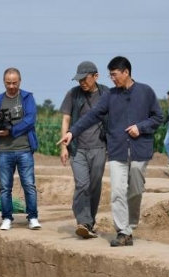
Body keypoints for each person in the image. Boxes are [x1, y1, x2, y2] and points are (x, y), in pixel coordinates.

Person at [57, 56, 164, 247]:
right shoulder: (110, 96)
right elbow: (92, 116)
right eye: (110, 75)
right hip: (117, 150)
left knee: (136, 191)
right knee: (117, 191)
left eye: (114, 75)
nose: (112, 79)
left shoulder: (145, 92)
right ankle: (123, 231)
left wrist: (141, 127)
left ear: (126, 72)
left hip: (139, 150)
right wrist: (72, 132)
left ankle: (130, 226)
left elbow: (158, 117)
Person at [59, 61, 109, 239]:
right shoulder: (73, 94)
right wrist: (64, 147)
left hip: (99, 147)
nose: (81, 83)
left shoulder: (107, 94)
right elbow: (66, 119)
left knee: (95, 186)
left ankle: (89, 222)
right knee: (82, 184)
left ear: (96, 76)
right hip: (77, 148)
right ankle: (82, 221)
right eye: (78, 79)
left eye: (85, 79)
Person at [0, 67, 41, 231]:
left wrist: (12, 131)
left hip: (24, 149)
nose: (11, 86)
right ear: (4, 82)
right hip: (4, 150)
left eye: (14, 82)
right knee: (5, 187)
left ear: (20, 81)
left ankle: (32, 217)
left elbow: (30, 119)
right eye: (8, 83)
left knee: (29, 185)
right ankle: (7, 218)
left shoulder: (27, 97)